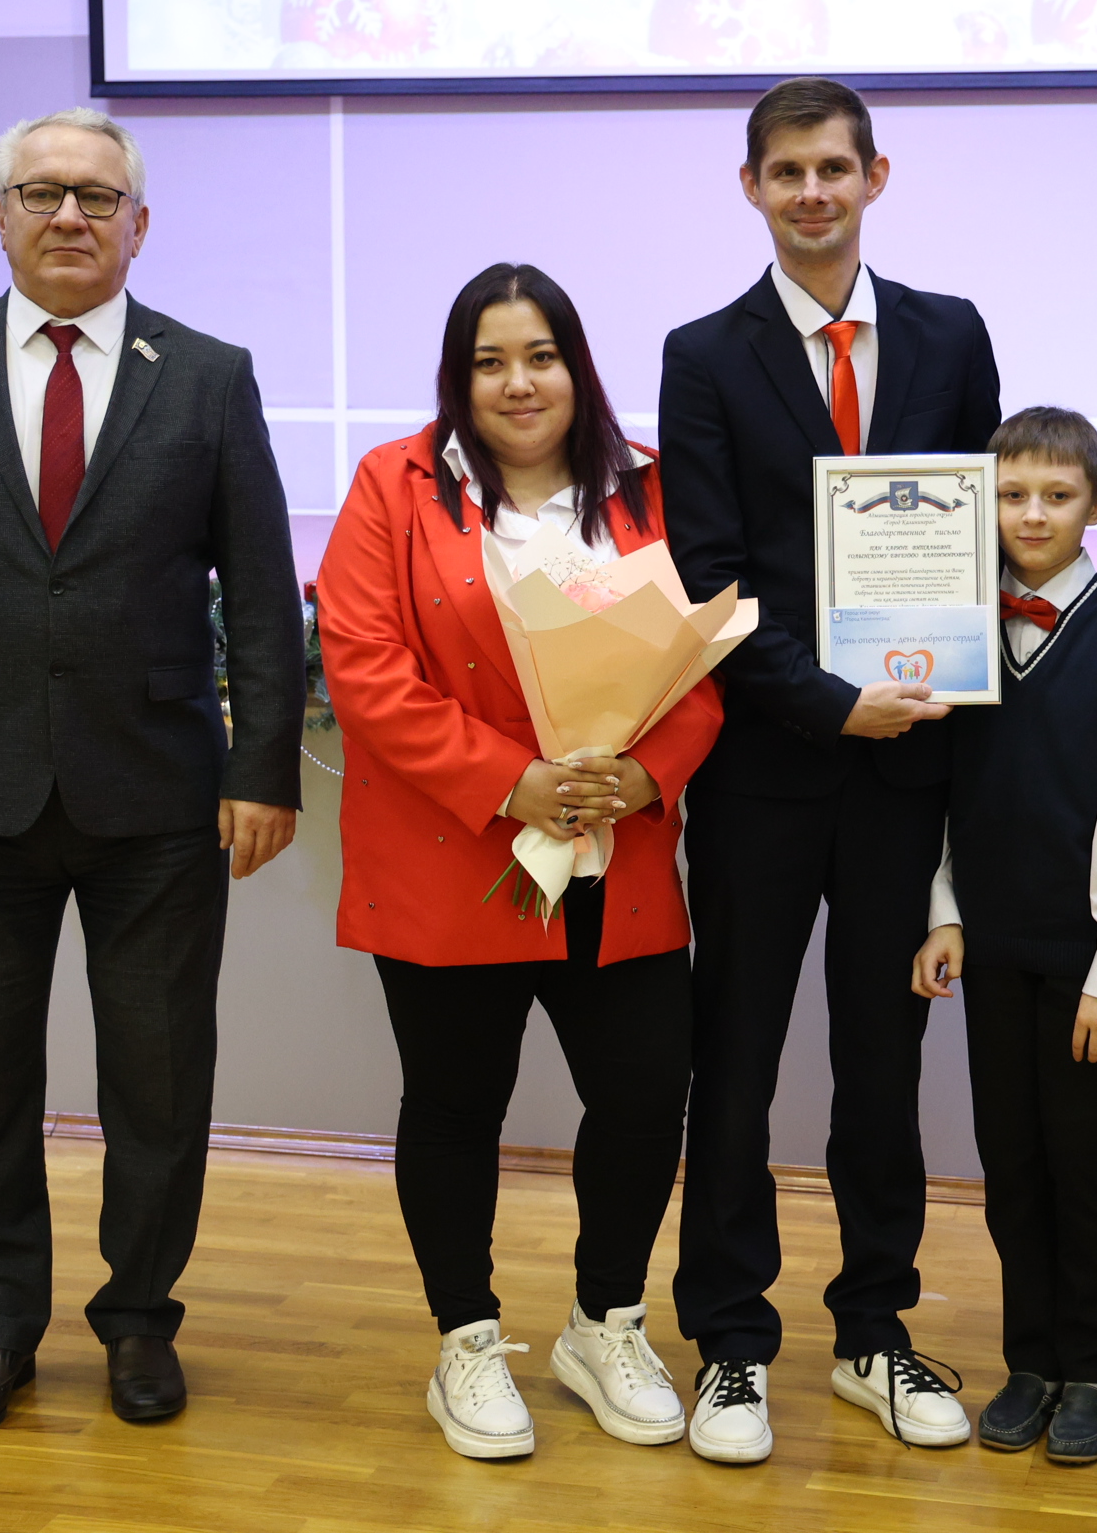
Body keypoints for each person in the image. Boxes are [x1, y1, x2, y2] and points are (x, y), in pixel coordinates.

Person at [0, 107, 305, 1436]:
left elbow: (263, 594)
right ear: (1, 218)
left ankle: (141, 1318)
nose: (69, 216)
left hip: (161, 796)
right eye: (41, 193)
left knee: (160, 1079)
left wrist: (265, 765)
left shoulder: (206, 376)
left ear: (139, 225)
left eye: (97, 197)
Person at [314, 263, 724, 1462]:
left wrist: (648, 773)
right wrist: (512, 780)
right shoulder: (391, 485)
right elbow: (365, 667)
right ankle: (467, 1339)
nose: (518, 382)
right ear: (459, 378)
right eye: (489, 361)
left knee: (645, 1094)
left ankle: (606, 1323)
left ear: (576, 366)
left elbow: (704, 662)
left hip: (616, 853)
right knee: (455, 1105)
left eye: (540, 355)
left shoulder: (649, 485)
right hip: (455, 854)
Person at [659, 77, 1002, 1462]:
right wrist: (825, 703)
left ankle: (874, 1331)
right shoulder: (703, 354)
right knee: (733, 1063)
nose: (813, 192)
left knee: (883, 1069)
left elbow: (977, 537)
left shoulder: (949, 333)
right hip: (762, 774)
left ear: (876, 178)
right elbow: (708, 575)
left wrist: (917, 697)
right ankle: (730, 1344)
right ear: (751, 186)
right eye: (787, 170)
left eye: (834, 169)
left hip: (906, 776)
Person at [911, 407, 1097, 1466]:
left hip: (1088, 962)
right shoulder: (959, 628)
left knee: (1084, 1166)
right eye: (1012, 494)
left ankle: (1091, 1369)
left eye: (1056, 496)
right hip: (992, 946)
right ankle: (1030, 1361)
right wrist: (944, 910)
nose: (1032, 514)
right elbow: (944, 791)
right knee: (1011, 1162)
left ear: (1096, 506)